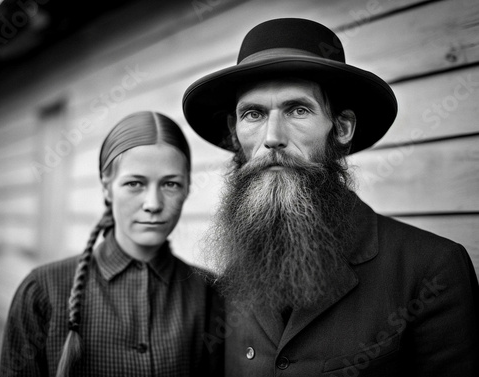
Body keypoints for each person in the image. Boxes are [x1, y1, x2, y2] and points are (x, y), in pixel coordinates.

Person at [182, 18, 479, 376]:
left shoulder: (431, 268)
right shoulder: (233, 277)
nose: (272, 137)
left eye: (298, 110)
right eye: (253, 114)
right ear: (235, 134)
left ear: (341, 127)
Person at [0, 111, 223, 377]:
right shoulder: (42, 291)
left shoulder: (211, 294)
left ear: (187, 188)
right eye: (134, 183)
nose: (153, 204)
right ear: (106, 187)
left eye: (170, 184)